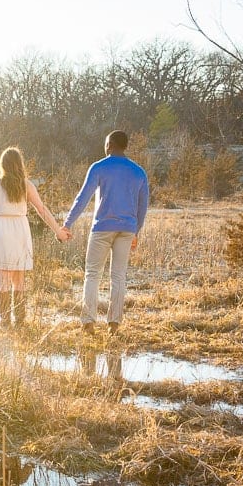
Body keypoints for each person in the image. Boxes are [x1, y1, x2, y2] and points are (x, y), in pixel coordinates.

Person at [61, 130, 149, 334]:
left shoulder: (99, 167)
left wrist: (68, 223)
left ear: (109, 145)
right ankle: (114, 324)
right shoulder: (139, 172)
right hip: (127, 229)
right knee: (118, 276)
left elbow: (82, 197)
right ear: (125, 146)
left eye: (105, 143)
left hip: (102, 227)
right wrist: (136, 231)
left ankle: (88, 322)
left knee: (92, 274)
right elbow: (142, 206)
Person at [0, 147, 70, 326]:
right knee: (19, 279)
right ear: (19, 164)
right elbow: (42, 210)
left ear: (2, 164)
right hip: (19, 231)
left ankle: (5, 321)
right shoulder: (26, 185)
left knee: (2, 281)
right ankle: (20, 321)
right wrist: (58, 231)